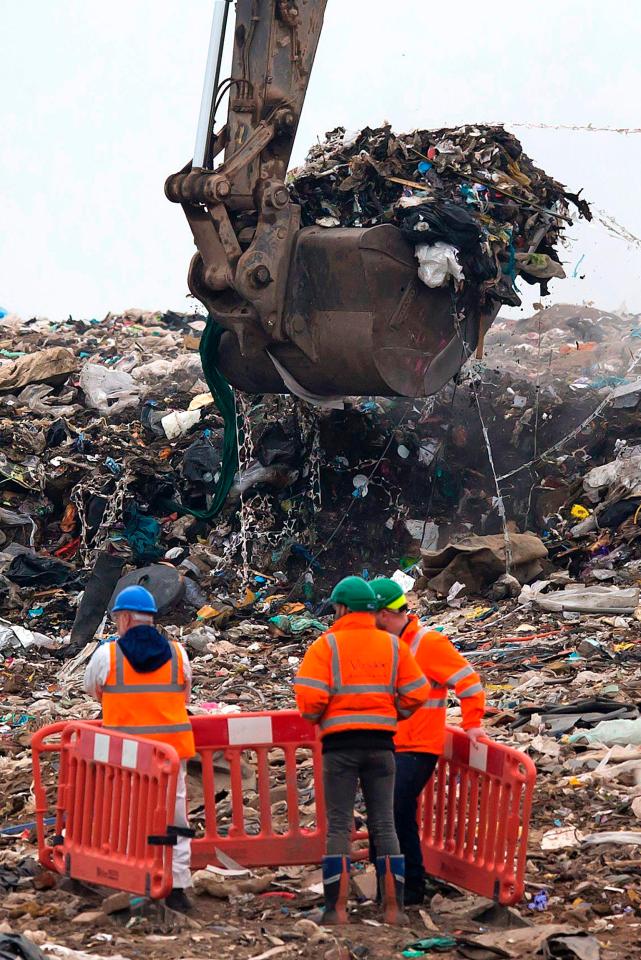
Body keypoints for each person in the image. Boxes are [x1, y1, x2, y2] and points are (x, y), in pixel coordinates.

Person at [294, 575, 429, 925]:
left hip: (339, 748)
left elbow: (309, 701)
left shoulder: (326, 646)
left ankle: (336, 910)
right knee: (385, 824)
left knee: (338, 825)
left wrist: (327, 716)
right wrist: (391, 714)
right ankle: (394, 910)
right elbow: (417, 692)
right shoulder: (393, 646)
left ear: (341, 608)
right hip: (382, 747)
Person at [370, 578, 486, 905]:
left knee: (390, 813)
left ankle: (406, 888)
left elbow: (469, 682)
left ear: (384, 614)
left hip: (418, 749)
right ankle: (397, 891)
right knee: (397, 814)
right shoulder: (383, 645)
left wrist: (472, 723)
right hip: (388, 746)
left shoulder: (428, 644)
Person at [83, 585, 195, 913]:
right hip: (171, 754)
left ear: (127, 618)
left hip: (126, 756)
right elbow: (184, 694)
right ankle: (177, 889)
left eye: (118, 617)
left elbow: (93, 689)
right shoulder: (178, 653)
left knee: (129, 822)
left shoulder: (108, 655)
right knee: (175, 821)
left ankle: (137, 884)